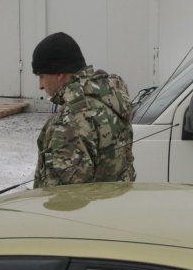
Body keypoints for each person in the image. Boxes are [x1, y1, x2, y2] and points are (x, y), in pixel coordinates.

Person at [31, 32, 135, 188]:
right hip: (117, 205)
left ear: (59, 73)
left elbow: (63, 199)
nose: (40, 85)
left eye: (41, 76)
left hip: (90, 210)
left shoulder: (70, 122)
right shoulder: (110, 99)